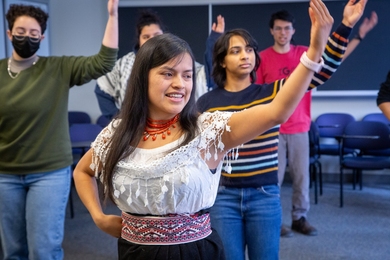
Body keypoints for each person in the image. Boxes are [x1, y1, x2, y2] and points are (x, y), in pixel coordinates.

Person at [73, 0, 339, 258]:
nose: (180, 84)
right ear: (143, 77)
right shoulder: (119, 131)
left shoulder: (207, 129)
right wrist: (98, 217)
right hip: (134, 252)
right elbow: (83, 171)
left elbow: (276, 111)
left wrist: (315, 50)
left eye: (187, 75)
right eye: (168, 73)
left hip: (196, 251)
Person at [197, 0, 366, 259]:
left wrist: (345, 26)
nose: (246, 55)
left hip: (264, 195)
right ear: (221, 61)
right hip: (222, 197)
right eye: (236, 51)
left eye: (250, 50)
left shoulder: (271, 93)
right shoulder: (206, 103)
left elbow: (320, 71)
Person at [0, 1, 118, 259]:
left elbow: (104, 62)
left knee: (43, 250)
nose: (26, 38)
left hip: (49, 173)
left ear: (42, 37)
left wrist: (112, 16)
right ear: (9, 34)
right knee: (12, 251)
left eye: (33, 34)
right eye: (20, 32)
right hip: (5, 174)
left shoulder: (57, 68)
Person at [255, 6, 377, 238]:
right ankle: (276, 220)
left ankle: (300, 218)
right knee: (273, 179)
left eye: (287, 29)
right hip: (273, 130)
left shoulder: (306, 53)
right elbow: (259, 94)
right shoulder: (261, 58)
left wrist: (358, 34)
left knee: (302, 177)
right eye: (278, 29)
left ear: (293, 31)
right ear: (272, 31)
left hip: (300, 127)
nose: (283, 33)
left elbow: (335, 58)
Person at [95, 9, 209, 120]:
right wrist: (118, 118)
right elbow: (102, 86)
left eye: (156, 35)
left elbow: (205, 76)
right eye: (146, 37)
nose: (179, 84)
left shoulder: (181, 59)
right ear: (139, 40)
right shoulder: (123, 64)